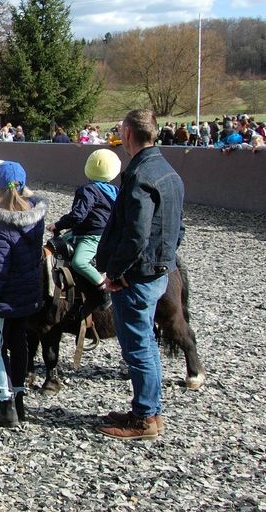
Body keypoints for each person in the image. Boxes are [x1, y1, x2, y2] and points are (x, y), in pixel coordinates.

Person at [95, 109, 185, 440]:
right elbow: (179, 227)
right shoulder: (169, 171)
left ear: (130, 135)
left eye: (120, 132)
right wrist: (166, 260)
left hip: (138, 275)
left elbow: (136, 233)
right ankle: (148, 410)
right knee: (145, 343)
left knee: (139, 346)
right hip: (158, 269)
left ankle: (145, 418)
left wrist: (118, 273)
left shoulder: (139, 175)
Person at [0, 161, 46, 427]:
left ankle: (5, 405)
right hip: (28, 294)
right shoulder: (36, 216)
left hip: (4, 300)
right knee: (19, 344)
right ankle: (19, 400)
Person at [47, 149, 120, 304]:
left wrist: (58, 225)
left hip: (92, 236)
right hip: (92, 232)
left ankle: (102, 287)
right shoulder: (115, 191)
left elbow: (77, 216)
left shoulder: (87, 190)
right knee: (57, 243)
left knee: (79, 262)